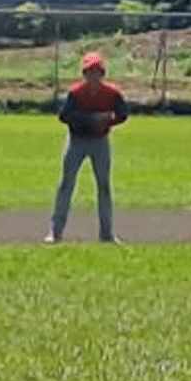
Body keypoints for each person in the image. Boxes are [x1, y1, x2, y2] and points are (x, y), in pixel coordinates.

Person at [46, 51, 129, 244]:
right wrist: (88, 120)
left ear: (102, 74)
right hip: (77, 141)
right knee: (66, 184)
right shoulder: (76, 93)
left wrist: (108, 123)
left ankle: (106, 233)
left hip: (100, 142)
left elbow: (123, 113)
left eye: (97, 72)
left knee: (104, 186)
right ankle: (55, 232)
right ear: (84, 74)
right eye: (89, 72)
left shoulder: (112, 94)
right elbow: (64, 116)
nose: (93, 77)